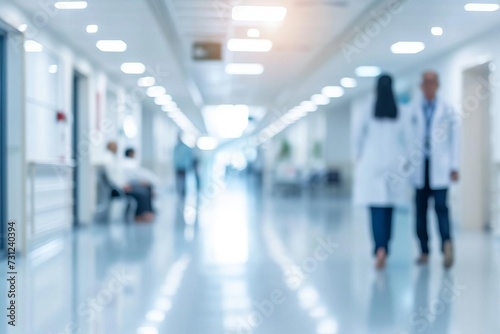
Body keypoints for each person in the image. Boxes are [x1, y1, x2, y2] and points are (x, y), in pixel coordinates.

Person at [353, 74, 411, 269]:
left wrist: (359, 156)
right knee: (389, 210)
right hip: (393, 165)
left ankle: (379, 248)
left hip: (372, 164)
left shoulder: (367, 109)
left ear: (375, 89)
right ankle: (386, 246)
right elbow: (408, 140)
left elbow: (357, 137)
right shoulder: (400, 111)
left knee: (376, 210)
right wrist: (407, 161)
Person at [408, 71, 460, 269]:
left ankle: (446, 246)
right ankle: (424, 250)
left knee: (442, 209)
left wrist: (454, 165)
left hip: (440, 169)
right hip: (420, 168)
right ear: (421, 87)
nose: (428, 87)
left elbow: (456, 140)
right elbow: (408, 139)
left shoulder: (447, 110)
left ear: (437, 85)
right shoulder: (413, 110)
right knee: (420, 212)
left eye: (432, 83)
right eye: (425, 83)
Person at [104, 141, 155, 222]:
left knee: (145, 188)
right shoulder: (108, 160)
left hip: (123, 185)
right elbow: (112, 178)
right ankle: (139, 215)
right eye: (115, 146)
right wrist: (122, 186)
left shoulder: (114, 158)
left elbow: (119, 176)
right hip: (119, 188)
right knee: (141, 193)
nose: (117, 148)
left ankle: (146, 212)